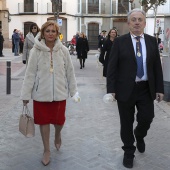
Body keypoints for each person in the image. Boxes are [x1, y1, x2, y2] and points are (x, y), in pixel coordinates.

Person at [106, 8, 164, 168]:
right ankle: (129, 151)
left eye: (140, 19)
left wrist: (160, 88)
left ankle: (139, 134)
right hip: (125, 89)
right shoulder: (119, 42)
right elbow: (112, 67)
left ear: (144, 23)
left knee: (147, 117)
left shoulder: (152, 41)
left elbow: (157, 68)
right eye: (134, 20)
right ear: (128, 23)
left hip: (146, 89)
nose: (137, 22)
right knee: (126, 123)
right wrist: (111, 89)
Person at [20, 21, 80, 166]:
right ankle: (46, 150)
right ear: (43, 33)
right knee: (44, 122)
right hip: (41, 94)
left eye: (53, 31)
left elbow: (70, 72)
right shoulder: (36, 50)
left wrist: (74, 91)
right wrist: (25, 95)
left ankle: (58, 134)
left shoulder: (63, 50)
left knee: (59, 122)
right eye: (48, 31)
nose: (51, 34)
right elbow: (30, 74)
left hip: (59, 93)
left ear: (57, 33)